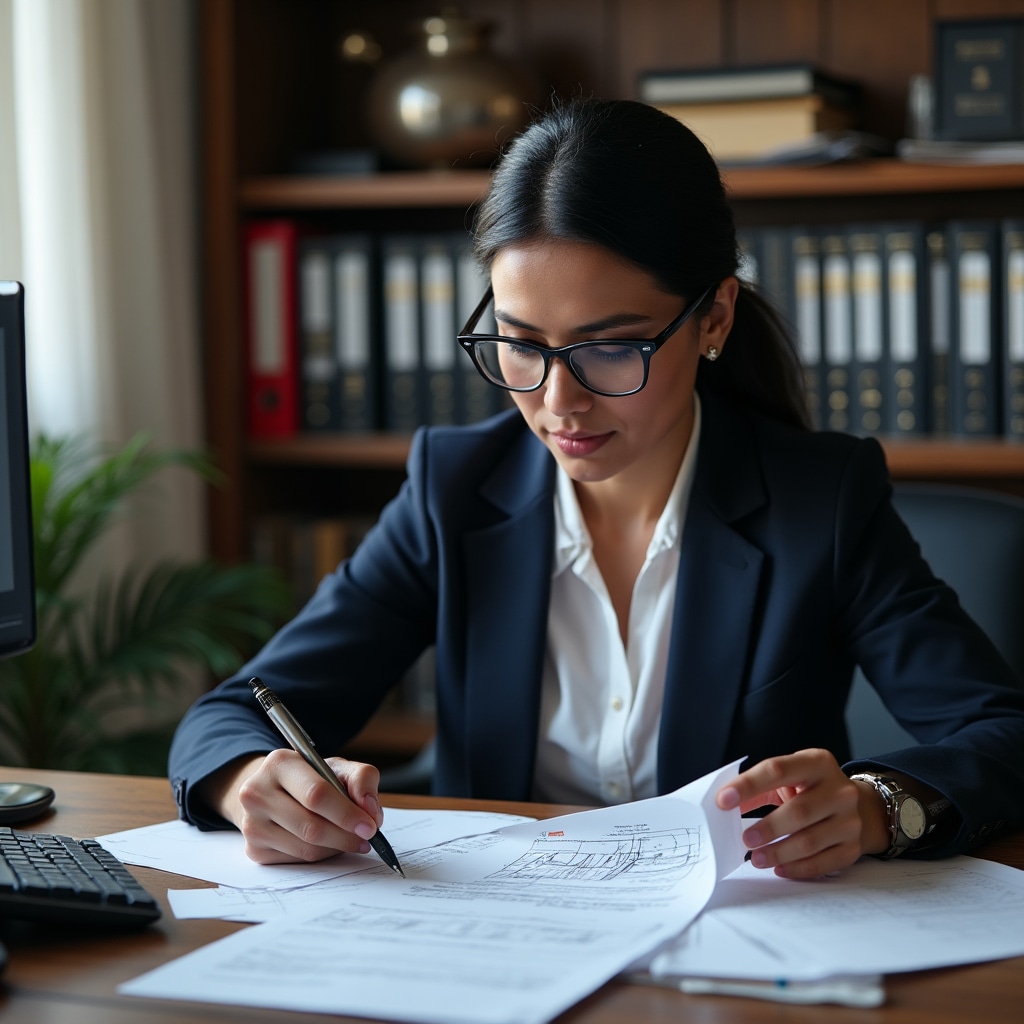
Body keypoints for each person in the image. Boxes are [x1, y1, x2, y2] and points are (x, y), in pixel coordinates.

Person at [170, 98, 1024, 880]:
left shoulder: (821, 503)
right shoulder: (456, 490)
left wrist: (879, 806)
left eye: (611, 348)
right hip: (499, 952)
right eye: (520, 343)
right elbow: (229, 716)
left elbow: (1004, 733)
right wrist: (252, 781)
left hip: (731, 957)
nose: (556, 399)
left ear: (715, 318)